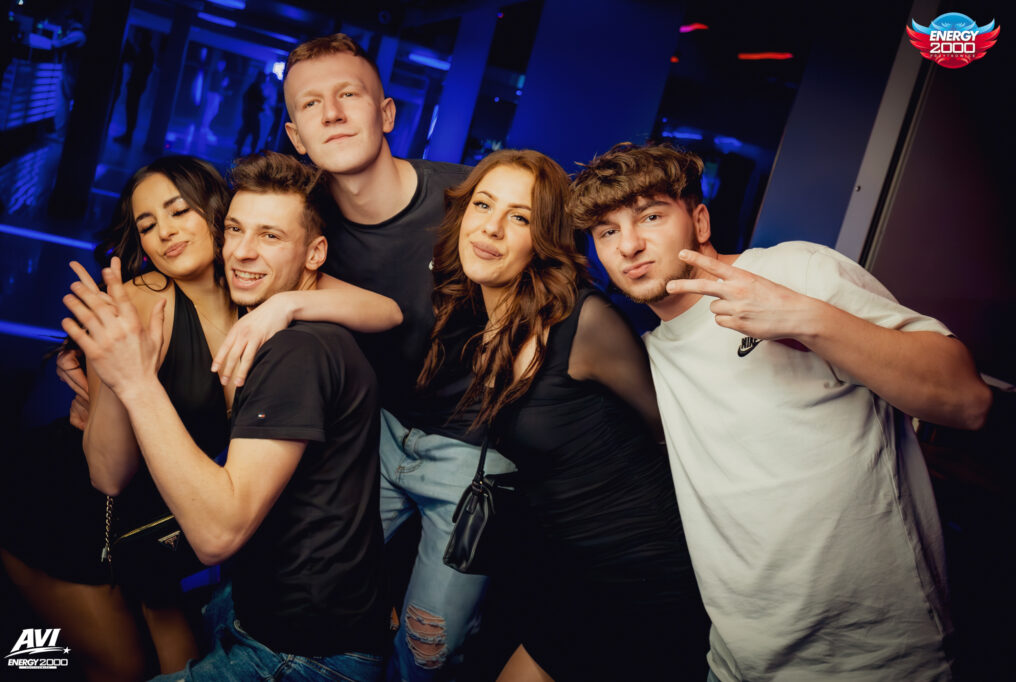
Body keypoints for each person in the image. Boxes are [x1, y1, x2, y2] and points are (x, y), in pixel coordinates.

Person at [568, 142, 994, 681]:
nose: (629, 245)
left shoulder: (792, 271)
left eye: (651, 216)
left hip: (875, 660)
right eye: (607, 232)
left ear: (700, 221)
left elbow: (967, 401)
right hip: (736, 661)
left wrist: (807, 319)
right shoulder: (647, 357)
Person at [3, 154, 400, 681]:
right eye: (147, 224)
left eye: (178, 211)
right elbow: (107, 475)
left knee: (182, 659)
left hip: (162, 519)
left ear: (215, 214)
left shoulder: (254, 283)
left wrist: (285, 308)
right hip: (65, 509)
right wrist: (121, 377)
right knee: (122, 666)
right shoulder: (139, 302)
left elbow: (389, 311)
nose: (164, 232)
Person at [415, 148, 708, 680]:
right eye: (483, 205)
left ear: (544, 239)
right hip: (568, 572)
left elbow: (673, 434)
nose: (491, 228)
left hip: (640, 577)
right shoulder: (482, 326)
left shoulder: (584, 322)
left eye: (519, 217)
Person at [277, 34, 510, 678]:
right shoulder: (307, 223)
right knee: (301, 581)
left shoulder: (467, 201)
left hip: (475, 447)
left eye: (348, 95)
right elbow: (222, 257)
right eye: (311, 104)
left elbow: (561, 284)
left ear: (385, 114)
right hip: (376, 434)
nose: (332, 113)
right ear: (297, 137)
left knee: (428, 649)